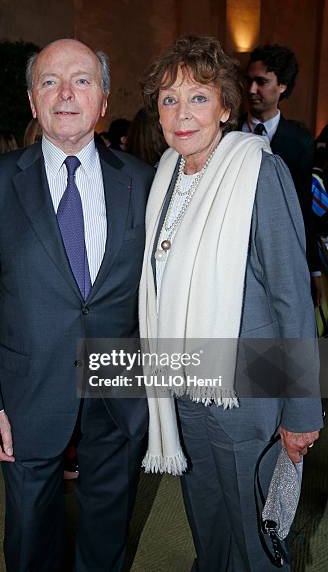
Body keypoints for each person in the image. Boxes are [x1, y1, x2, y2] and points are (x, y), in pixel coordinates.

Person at [0, 38, 154, 572]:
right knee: (28, 533)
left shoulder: (141, 182)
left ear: (103, 101)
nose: (66, 93)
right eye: (50, 81)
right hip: (26, 393)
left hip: (117, 385)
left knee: (107, 527)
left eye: (82, 81)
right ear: (32, 100)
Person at [139, 35, 323, 571]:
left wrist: (302, 408)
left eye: (198, 97)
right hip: (186, 382)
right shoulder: (167, 177)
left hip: (250, 391)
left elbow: (292, 297)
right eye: (169, 99)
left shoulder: (257, 173)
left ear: (225, 104)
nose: (182, 112)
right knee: (208, 522)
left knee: (254, 532)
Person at [242, 44, 322, 304]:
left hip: (281, 259)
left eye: (262, 82)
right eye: (249, 80)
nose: (252, 89)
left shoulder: (300, 142)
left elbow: (303, 209)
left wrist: (313, 269)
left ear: (283, 86)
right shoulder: (227, 133)